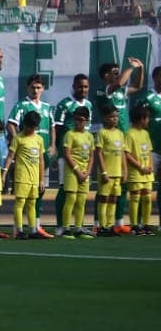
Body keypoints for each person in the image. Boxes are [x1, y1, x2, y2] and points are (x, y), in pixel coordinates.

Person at [96, 58, 143, 230]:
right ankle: (99, 224)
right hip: (109, 141)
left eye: (118, 71)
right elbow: (120, 82)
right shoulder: (105, 90)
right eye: (114, 72)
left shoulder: (121, 92)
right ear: (105, 76)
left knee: (121, 184)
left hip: (122, 139)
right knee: (105, 188)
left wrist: (141, 68)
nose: (117, 74)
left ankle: (118, 222)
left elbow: (137, 86)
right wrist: (131, 67)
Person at [6, 76, 54, 238]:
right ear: (28, 88)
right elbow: (10, 124)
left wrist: (53, 145)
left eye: (39, 87)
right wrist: (19, 142)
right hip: (26, 156)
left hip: (42, 152)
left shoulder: (47, 107)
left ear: (43, 89)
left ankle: (36, 226)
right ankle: (21, 228)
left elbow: (52, 126)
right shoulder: (22, 105)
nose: (36, 90)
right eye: (33, 87)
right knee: (22, 199)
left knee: (39, 190)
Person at [52, 73, 94, 235]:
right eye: (80, 86)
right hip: (67, 155)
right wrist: (56, 150)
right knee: (65, 190)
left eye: (86, 87)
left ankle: (78, 226)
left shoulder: (88, 105)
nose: (83, 89)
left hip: (83, 156)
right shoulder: (65, 104)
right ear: (74, 87)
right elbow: (57, 128)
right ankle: (61, 226)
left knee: (80, 195)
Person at [4, 111, 46, 239]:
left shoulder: (39, 139)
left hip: (34, 178)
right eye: (28, 126)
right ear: (24, 124)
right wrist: (4, 173)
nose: (30, 129)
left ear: (36, 126)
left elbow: (41, 160)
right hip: (21, 177)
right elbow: (10, 156)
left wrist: (42, 179)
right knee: (20, 203)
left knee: (32, 203)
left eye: (33, 127)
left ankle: (33, 230)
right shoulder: (18, 138)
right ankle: (19, 231)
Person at [59, 106, 95, 238]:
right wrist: (77, 171)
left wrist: (87, 172)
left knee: (81, 201)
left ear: (87, 121)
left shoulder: (89, 136)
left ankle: (78, 228)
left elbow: (91, 156)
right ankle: (66, 229)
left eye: (81, 120)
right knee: (71, 198)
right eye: (76, 119)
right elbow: (67, 154)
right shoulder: (70, 134)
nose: (78, 122)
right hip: (72, 172)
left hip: (84, 173)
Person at [93, 105, 126, 236]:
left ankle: (110, 225)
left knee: (113, 199)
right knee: (104, 198)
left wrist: (124, 171)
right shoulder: (102, 133)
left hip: (117, 173)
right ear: (105, 118)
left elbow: (122, 153)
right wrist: (103, 172)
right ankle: (102, 227)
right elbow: (98, 153)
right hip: (107, 173)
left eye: (116, 116)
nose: (115, 119)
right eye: (112, 116)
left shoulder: (120, 133)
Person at [123, 103, 154, 234]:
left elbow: (149, 151)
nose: (148, 120)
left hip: (147, 173)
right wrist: (140, 167)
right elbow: (127, 154)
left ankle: (146, 225)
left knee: (147, 198)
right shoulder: (130, 134)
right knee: (135, 197)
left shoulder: (145, 133)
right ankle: (134, 226)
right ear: (141, 119)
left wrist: (150, 165)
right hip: (136, 172)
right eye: (147, 118)